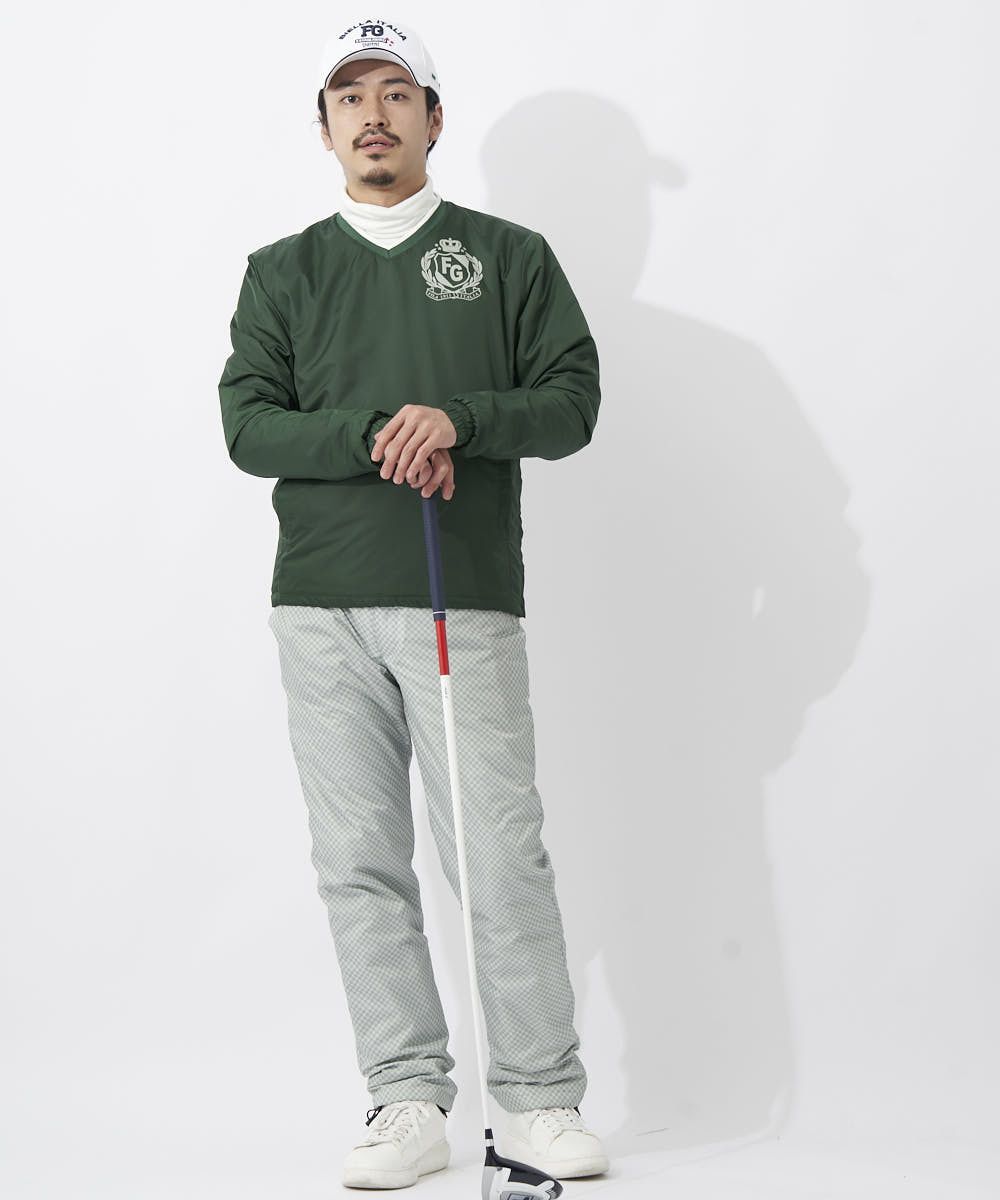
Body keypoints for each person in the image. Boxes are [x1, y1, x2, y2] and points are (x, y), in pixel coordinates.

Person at [217, 16, 607, 1190]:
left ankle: (536, 1102)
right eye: (349, 98)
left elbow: (572, 401)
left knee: (497, 853)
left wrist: (463, 419)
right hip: (320, 604)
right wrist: (377, 435)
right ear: (325, 128)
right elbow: (249, 425)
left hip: (458, 599)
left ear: (435, 118)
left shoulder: (506, 256)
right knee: (359, 862)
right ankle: (406, 1100)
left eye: (395, 92)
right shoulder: (282, 271)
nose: (372, 115)